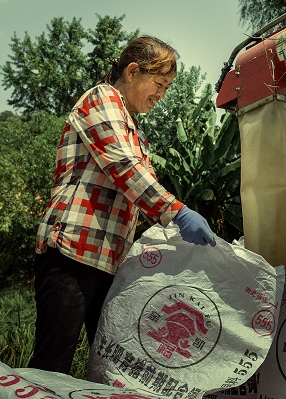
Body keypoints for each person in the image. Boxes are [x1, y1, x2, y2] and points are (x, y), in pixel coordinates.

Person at [29, 35, 217, 373]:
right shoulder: (101, 100)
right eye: (159, 83)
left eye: (167, 87)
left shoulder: (132, 126)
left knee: (109, 366)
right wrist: (178, 212)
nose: (162, 94)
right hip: (74, 252)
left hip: (105, 262)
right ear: (132, 71)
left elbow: (138, 195)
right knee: (52, 363)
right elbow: (124, 169)